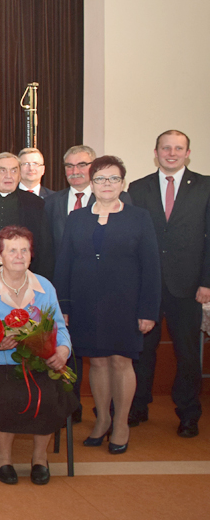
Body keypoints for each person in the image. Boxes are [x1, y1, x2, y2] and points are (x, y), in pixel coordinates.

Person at [54, 155, 160, 454]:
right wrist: (63, 307)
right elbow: (64, 264)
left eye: (114, 178)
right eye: (100, 178)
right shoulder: (77, 218)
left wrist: (148, 310)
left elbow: (151, 267)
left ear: (123, 183)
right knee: (97, 362)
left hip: (126, 303)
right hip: (85, 302)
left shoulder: (139, 217)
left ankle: (121, 424)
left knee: (121, 361)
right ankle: (102, 420)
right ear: (92, 183)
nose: (107, 184)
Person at [0, 226, 77, 486]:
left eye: (24, 250)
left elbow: (59, 327)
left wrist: (63, 350)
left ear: (31, 255)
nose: (19, 256)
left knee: (50, 391)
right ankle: (3, 457)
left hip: (38, 360)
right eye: (12, 250)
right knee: (14, 393)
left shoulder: (44, 286)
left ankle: (40, 457)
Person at [127, 130, 210, 438]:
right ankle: (138, 406)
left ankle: (188, 413)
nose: (171, 153)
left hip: (188, 287)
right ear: (156, 152)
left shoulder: (205, 186)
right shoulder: (138, 188)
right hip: (147, 286)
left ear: (187, 153)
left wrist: (207, 281)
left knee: (187, 354)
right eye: (166, 148)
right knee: (142, 351)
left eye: (178, 148)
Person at [0, 152, 53, 278]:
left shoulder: (35, 204)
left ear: (19, 175)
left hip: (24, 277)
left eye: (14, 171)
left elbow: (45, 248)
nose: (8, 176)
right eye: (2, 170)